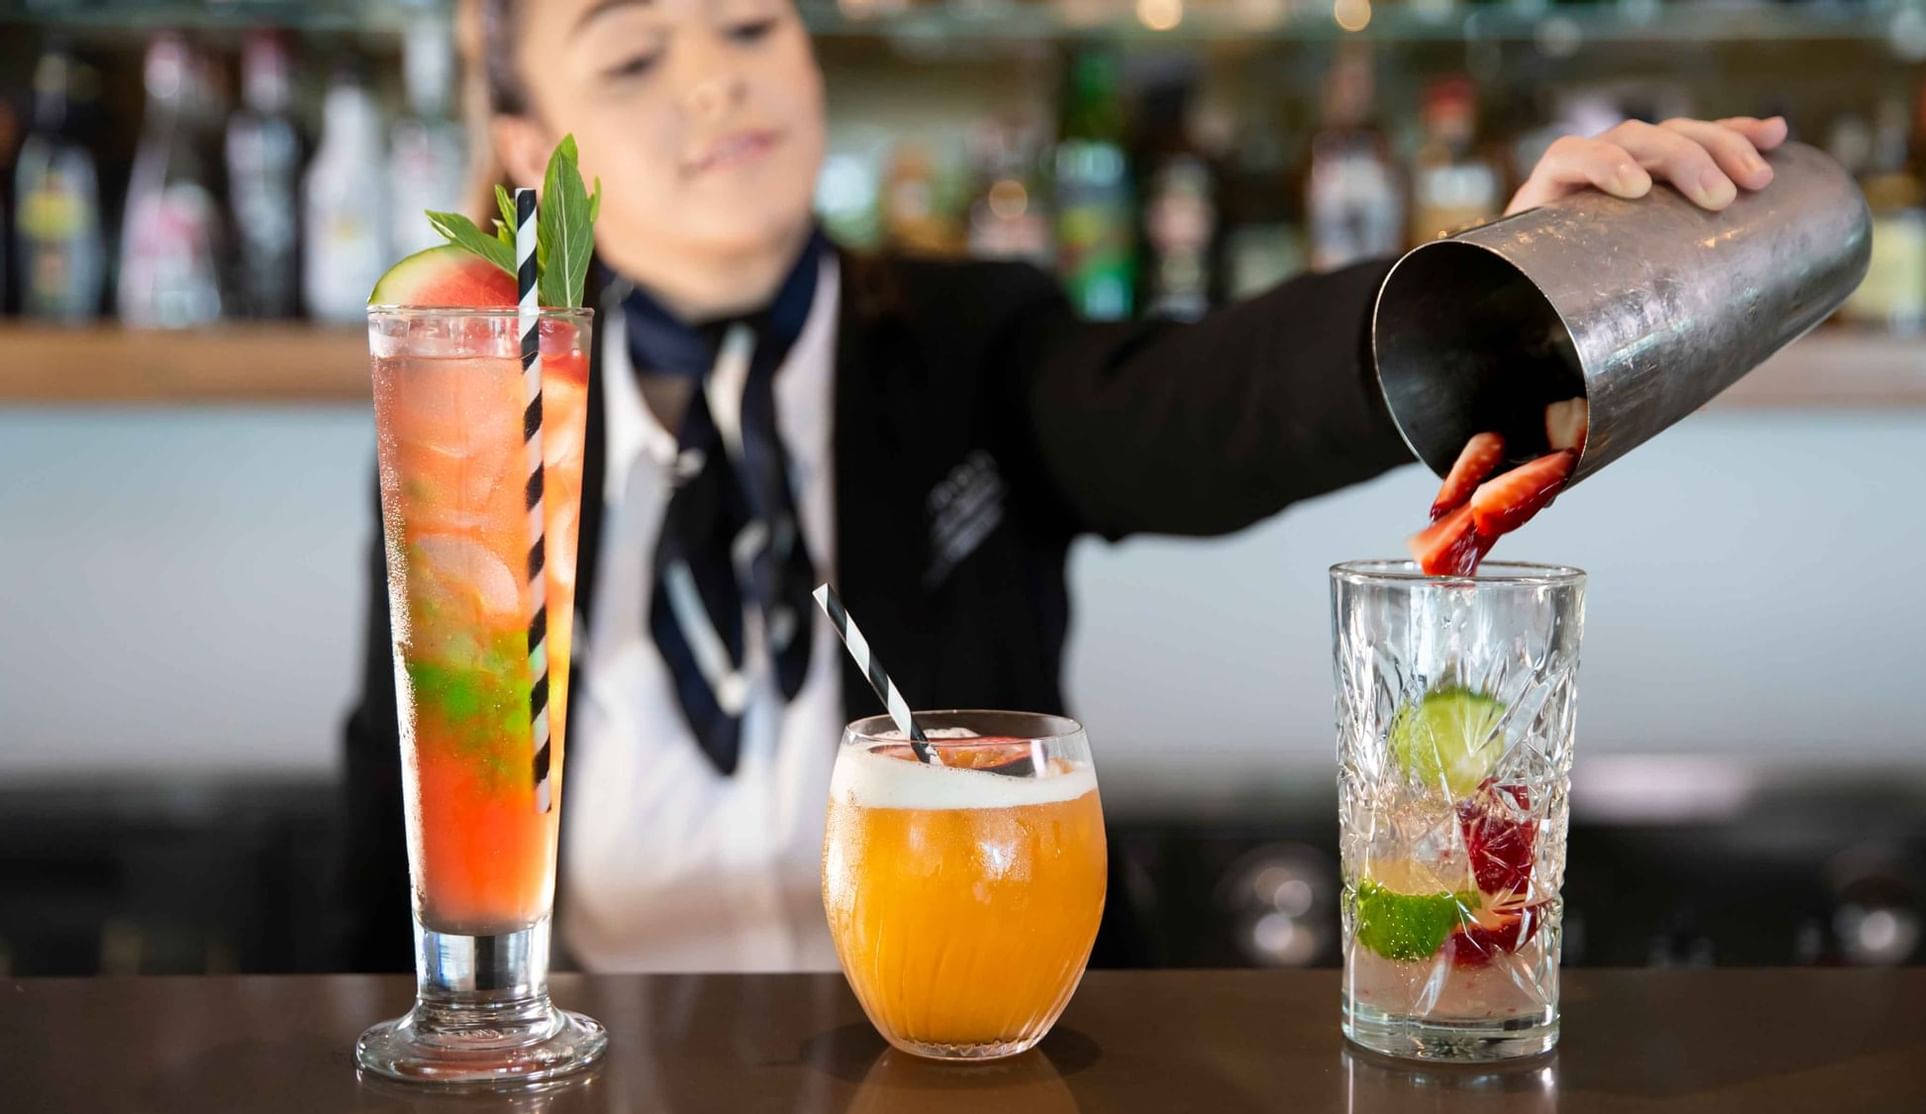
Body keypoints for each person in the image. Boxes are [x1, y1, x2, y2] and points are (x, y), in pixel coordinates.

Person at [340, 0, 1788, 973]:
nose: (714, 76)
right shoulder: (482, 418)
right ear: (530, 145)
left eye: (746, 20)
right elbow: (398, 802)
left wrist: (1484, 292)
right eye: (632, 54)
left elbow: (1202, 408)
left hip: (972, 1055)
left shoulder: (970, 340)